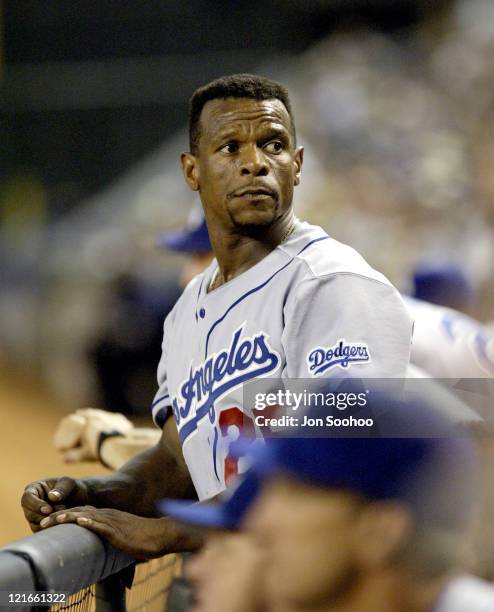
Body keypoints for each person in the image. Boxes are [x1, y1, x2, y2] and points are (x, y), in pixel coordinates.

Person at [21, 73, 413, 559]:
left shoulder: (332, 284)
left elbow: (333, 462)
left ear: (298, 164)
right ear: (192, 171)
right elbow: (177, 460)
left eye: (273, 144)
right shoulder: (187, 311)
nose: (255, 163)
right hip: (240, 580)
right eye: (230, 147)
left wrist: (165, 534)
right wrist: (101, 492)